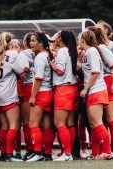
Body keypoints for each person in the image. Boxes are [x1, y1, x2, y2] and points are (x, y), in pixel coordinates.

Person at [87, 26, 113, 159]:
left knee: (111, 118)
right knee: (98, 121)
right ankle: (97, 152)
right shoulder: (93, 49)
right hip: (101, 82)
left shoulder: (102, 48)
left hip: (107, 82)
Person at [79, 30, 112, 160]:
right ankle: (98, 152)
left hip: (96, 90)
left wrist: (85, 89)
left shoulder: (91, 51)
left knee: (97, 122)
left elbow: (95, 72)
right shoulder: (90, 52)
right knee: (93, 124)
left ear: (83, 40)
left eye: (79, 39)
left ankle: (107, 151)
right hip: (95, 90)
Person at [0, 32, 28, 161]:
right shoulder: (12, 54)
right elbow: (22, 70)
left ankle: (4, 154)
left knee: (4, 126)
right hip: (8, 92)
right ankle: (9, 154)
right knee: (14, 125)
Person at [49, 30, 79, 161]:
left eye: (57, 36)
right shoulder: (70, 51)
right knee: (70, 123)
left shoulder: (62, 51)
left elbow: (60, 71)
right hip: (73, 89)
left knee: (59, 123)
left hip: (63, 89)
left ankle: (66, 153)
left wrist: (51, 63)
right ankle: (67, 153)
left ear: (61, 39)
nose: (55, 38)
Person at [26, 32, 54, 162]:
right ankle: (47, 154)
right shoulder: (47, 55)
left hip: (41, 93)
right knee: (46, 125)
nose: (30, 43)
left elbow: (38, 78)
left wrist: (33, 96)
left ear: (41, 43)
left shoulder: (39, 57)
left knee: (33, 123)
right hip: (49, 92)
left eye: (33, 41)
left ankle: (37, 153)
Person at [20, 33, 35, 160]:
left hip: (30, 86)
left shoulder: (24, 53)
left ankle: (31, 150)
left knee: (27, 122)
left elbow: (23, 69)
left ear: (25, 43)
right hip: (45, 87)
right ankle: (43, 150)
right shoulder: (44, 52)